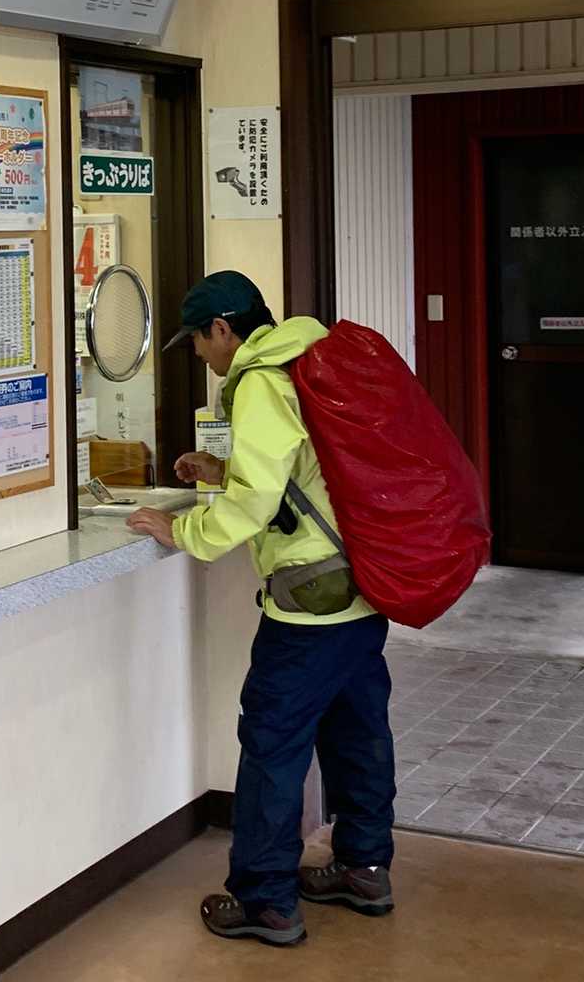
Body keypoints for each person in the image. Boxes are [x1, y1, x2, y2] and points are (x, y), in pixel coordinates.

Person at [128, 272, 394, 947]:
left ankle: (265, 900)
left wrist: (183, 531)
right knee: (357, 730)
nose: (199, 354)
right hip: (363, 584)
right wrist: (221, 471)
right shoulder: (309, 356)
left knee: (273, 744)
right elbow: (300, 475)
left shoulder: (259, 382)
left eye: (198, 340)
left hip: (311, 603)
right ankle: (364, 867)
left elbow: (253, 505)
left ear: (222, 329)